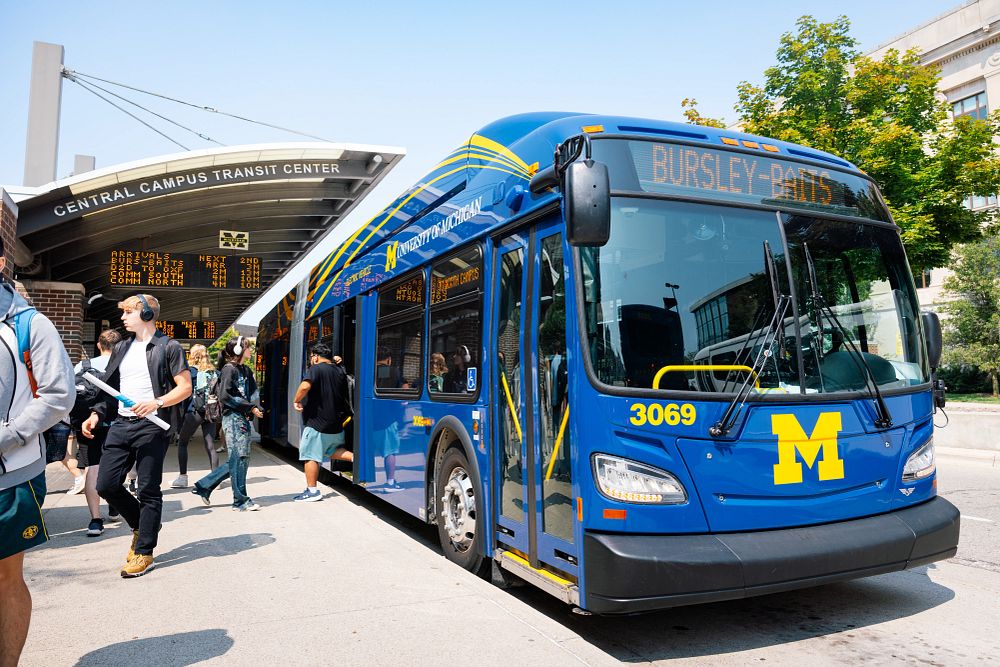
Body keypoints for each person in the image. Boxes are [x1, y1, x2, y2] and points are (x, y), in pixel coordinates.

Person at [0, 241, 75, 666]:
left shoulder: (30, 324)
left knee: (6, 578)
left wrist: (7, 438)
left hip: (11, 475)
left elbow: (57, 396)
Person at [81, 294, 191, 578]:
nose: (123, 317)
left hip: (152, 426)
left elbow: (185, 388)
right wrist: (96, 414)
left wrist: (157, 402)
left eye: (128, 312)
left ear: (145, 314)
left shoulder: (169, 347)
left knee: (148, 490)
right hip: (120, 424)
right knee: (106, 484)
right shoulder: (120, 348)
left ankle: (144, 552)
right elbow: (110, 388)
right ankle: (143, 524)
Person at [190, 336, 263, 511]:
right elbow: (225, 396)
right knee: (239, 458)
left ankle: (204, 486)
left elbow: (253, 393)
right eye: (247, 347)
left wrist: (256, 406)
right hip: (232, 418)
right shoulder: (229, 370)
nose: (250, 351)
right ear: (238, 350)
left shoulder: (245, 370)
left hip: (242, 417)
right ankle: (240, 501)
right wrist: (250, 407)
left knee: (240, 459)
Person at [72, 328, 123, 537]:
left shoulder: (83, 366)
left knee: (92, 468)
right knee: (115, 465)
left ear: (99, 345)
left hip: (86, 425)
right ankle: (113, 501)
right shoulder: (122, 367)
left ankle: (95, 519)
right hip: (115, 423)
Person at [291, 343, 352, 502]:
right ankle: (356, 458)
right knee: (331, 450)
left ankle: (312, 491)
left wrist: (296, 400)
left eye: (311, 357)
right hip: (336, 423)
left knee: (310, 455)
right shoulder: (339, 370)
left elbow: (305, 386)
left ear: (316, 356)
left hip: (317, 422)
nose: (311, 360)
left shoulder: (316, 369)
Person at [170, 344, 219, 488]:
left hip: (194, 412)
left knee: (183, 442)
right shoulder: (214, 372)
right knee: (210, 445)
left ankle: (183, 478)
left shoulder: (190, 372)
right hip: (210, 411)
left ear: (192, 355)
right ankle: (215, 478)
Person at [373, 346, 402, 491]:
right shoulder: (394, 371)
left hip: (371, 417)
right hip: (388, 419)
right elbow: (403, 390)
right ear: (389, 359)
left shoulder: (370, 370)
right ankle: (390, 482)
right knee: (389, 451)